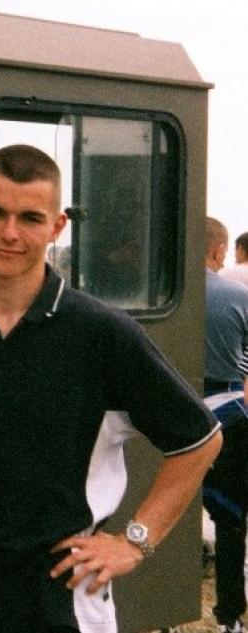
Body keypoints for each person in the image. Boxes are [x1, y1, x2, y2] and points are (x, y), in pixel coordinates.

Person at [0, 145, 222, 633]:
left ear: (57, 226)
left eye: (30, 218)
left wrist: (134, 542)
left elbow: (199, 439)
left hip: (66, 606)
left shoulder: (100, 332)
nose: (10, 233)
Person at [203, 217, 248, 633]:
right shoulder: (238, 296)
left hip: (168, 411)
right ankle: (228, 617)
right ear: (218, 251)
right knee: (231, 520)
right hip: (228, 413)